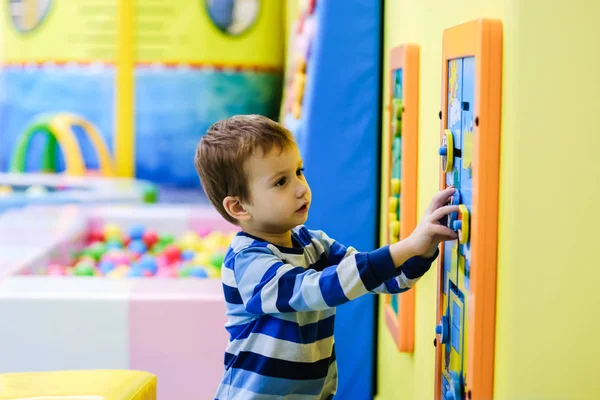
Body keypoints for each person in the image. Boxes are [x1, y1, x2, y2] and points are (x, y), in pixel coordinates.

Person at [194, 114, 458, 399]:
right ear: (239, 207)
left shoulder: (314, 244)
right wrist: (407, 246)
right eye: (281, 182)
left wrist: (426, 244)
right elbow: (316, 289)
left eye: (299, 171)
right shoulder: (247, 261)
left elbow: (386, 280)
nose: (300, 188)